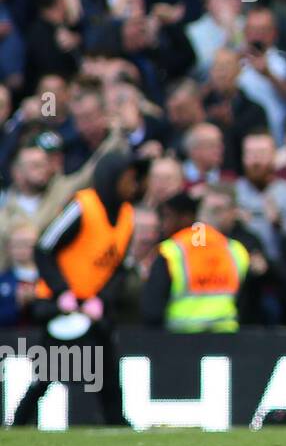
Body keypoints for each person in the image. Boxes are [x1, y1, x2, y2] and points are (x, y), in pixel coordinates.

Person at [12, 150, 147, 426]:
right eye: (128, 178)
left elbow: (117, 268)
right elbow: (44, 249)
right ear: (112, 178)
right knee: (49, 371)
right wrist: (63, 292)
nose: (133, 185)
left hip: (93, 306)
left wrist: (101, 299)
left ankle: (116, 422)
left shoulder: (127, 215)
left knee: (108, 368)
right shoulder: (83, 206)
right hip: (62, 304)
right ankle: (19, 422)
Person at [140, 191, 250, 333]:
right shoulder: (234, 249)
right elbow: (246, 301)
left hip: (179, 338)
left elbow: (152, 310)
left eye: (168, 217)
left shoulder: (171, 251)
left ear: (186, 217)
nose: (163, 225)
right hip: (227, 337)